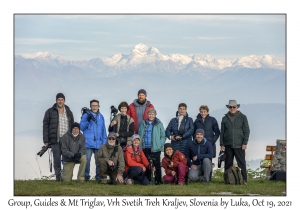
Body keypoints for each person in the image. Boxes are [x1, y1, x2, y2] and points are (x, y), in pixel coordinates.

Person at [43, 93, 74, 181]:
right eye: (58, 100)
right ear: (56, 101)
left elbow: (72, 126)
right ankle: (58, 177)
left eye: (62, 100)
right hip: (55, 139)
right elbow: (45, 126)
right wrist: (46, 139)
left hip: (67, 140)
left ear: (64, 101)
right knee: (56, 159)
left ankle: (66, 177)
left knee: (66, 159)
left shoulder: (69, 111)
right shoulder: (50, 111)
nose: (60, 101)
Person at [220, 100, 250, 185]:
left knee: (241, 163)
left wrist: (245, 143)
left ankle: (244, 180)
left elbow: (246, 130)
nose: (232, 108)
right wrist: (222, 144)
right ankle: (227, 180)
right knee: (228, 163)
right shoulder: (224, 118)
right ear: (228, 108)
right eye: (230, 107)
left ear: (237, 107)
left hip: (239, 144)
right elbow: (222, 132)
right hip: (228, 145)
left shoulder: (243, 117)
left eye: (234, 107)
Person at [80, 99, 107, 181]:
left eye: (96, 105)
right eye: (93, 105)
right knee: (87, 161)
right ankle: (86, 177)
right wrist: (88, 120)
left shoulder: (101, 116)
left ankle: (98, 177)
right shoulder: (86, 115)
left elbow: (103, 130)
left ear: (99, 106)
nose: (94, 107)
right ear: (90, 106)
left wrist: (104, 142)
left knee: (98, 161)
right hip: (88, 142)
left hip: (99, 143)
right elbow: (81, 127)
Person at [138, 108, 166, 185]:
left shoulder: (159, 123)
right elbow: (140, 135)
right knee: (146, 164)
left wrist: (159, 145)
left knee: (156, 164)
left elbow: (163, 136)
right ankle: (148, 180)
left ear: (155, 115)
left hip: (155, 148)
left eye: (152, 114)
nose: (151, 116)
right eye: (150, 114)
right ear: (147, 115)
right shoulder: (143, 123)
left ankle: (158, 181)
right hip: (145, 147)